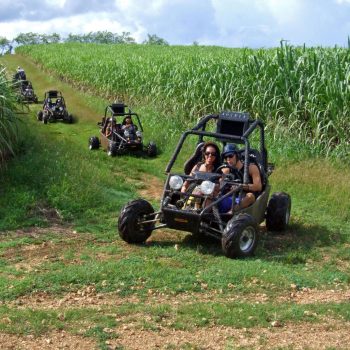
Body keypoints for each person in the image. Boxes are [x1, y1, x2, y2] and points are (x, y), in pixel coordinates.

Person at [220, 144, 262, 211]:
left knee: (250, 196)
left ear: (237, 155)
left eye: (230, 156)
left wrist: (241, 187)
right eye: (225, 157)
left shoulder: (251, 168)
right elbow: (219, 183)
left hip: (246, 197)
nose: (228, 159)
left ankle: (231, 212)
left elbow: (258, 186)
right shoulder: (226, 170)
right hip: (230, 196)